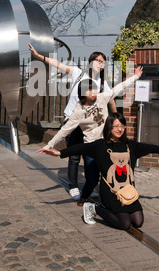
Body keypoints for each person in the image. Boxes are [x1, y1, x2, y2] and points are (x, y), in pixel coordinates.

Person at [40, 113, 159, 230]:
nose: (120, 129)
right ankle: (94, 208)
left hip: (128, 191)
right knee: (124, 224)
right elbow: (79, 148)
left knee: (138, 222)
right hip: (110, 191)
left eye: (122, 126)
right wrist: (59, 153)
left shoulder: (130, 145)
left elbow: (151, 148)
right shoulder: (100, 146)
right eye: (116, 126)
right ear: (109, 128)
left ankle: (105, 210)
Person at [37, 68, 143, 204]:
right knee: (92, 177)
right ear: (83, 93)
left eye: (95, 89)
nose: (94, 92)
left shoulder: (102, 98)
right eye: (90, 90)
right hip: (91, 146)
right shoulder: (78, 110)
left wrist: (135, 77)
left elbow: (118, 88)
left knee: (109, 175)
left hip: (107, 143)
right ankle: (83, 198)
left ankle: (111, 200)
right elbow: (65, 130)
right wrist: (49, 145)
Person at [29, 43, 116, 200]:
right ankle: (73, 186)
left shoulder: (103, 83)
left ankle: (90, 185)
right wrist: (39, 57)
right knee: (74, 154)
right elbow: (59, 65)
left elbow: (110, 100)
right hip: (73, 119)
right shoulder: (78, 73)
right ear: (91, 62)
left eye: (103, 62)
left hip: (90, 124)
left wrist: (116, 118)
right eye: (98, 60)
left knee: (91, 154)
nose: (100, 64)